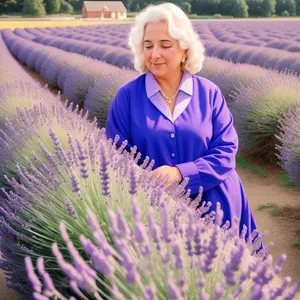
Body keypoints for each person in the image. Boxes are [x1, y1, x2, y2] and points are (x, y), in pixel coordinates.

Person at [105, 2, 260, 245]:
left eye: (165, 45)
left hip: (219, 207)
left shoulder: (209, 94)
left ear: (185, 50)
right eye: (148, 46)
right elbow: (116, 157)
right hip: (158, 215)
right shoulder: (126, 97)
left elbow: (226, 153)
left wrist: (180, 173)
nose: (154, 54)